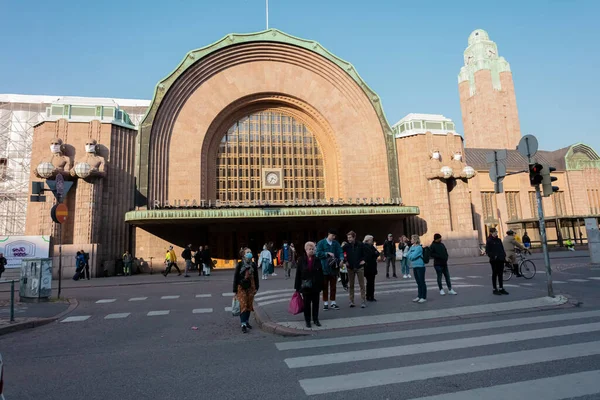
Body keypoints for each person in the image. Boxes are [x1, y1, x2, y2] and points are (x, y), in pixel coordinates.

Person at [294, 241, 323, 328]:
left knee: (316, 303)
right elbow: (298, 274)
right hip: (305, 286)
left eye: (312, 249)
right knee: (306, 304)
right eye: (309, 249)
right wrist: (297, 287)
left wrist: (321, 285)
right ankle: (307, 321)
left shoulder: (317, 259)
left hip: (315, 285)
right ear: (305, 250)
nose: (311, 250)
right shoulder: (301, 260)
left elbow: (321, 273)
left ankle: (316, 319)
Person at [233, 248, 259, 333]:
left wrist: (257, 287)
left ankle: (247, 321)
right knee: (243, 304)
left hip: (251, 286)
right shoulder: (240, 264)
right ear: (244, 254)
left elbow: (256, 277)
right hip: (242, 287)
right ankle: (243, 324)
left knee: (249, 304)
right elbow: (236, 277)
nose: (249, 254)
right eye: (247, 252)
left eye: (250, 252)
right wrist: (234, 290)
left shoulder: (254, 264)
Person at [316, 229, 344, 311]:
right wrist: (326, 253)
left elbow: (340, 252)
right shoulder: (321, 243)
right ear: (329, 234)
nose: (333, 237)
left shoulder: (336, 243)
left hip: (333, 268)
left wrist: (341, 259)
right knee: (324, 286)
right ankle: (325, 303)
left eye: (335, 236)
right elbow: (317, 253)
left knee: (333, 286)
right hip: (324, 268)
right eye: (332, 235)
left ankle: (333, 302)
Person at [343, 231, 367, 308]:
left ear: (354, 237)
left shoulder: (360, 244)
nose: (348, 239)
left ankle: (363, 300)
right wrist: (345, 261)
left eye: (350, 237)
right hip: (350, 267)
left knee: (362, 285)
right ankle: (351, 301)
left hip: (359, 267)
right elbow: (341, 253)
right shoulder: (346, 246)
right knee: (351, 285)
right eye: (348, 237)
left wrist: (364, 260)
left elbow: (366, 253)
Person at [486, 228, 508, 295]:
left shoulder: (499, 240)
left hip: (501, 259)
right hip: (494, 261)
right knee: (495, 274)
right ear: (491, 233)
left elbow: (502, 249)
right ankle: (494, 289)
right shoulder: (489, 240)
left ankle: (501, 288)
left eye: (496, 232)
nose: (496, 233)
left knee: (500, 274)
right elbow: (487, 251)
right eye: (495, 232)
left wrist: (504, 256)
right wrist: (493, 256)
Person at [406, 234, 427, 303]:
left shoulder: (419, 248)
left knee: (422, 281)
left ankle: (423, 297)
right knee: (418, 282)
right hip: (414, 266)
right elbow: (407, 255)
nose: (411, 240)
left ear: (415, 240)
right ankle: (419, 296)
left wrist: (410, 255)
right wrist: (410, 255)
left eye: (412, 239)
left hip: (420, 266)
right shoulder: (412, 247)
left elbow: (412, 257)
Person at [363, 235, 380, 302]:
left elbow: (377, 253)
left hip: (372, 266)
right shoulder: (364, 246)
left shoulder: (371, 246)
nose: (372, 241)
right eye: (371, 240)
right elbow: (369, 255)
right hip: (368, 267)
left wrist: (374, 253)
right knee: (369, 282)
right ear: (367, 240)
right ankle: (368, 296)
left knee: (372, 282)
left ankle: (371, 296)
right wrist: (374, 253)